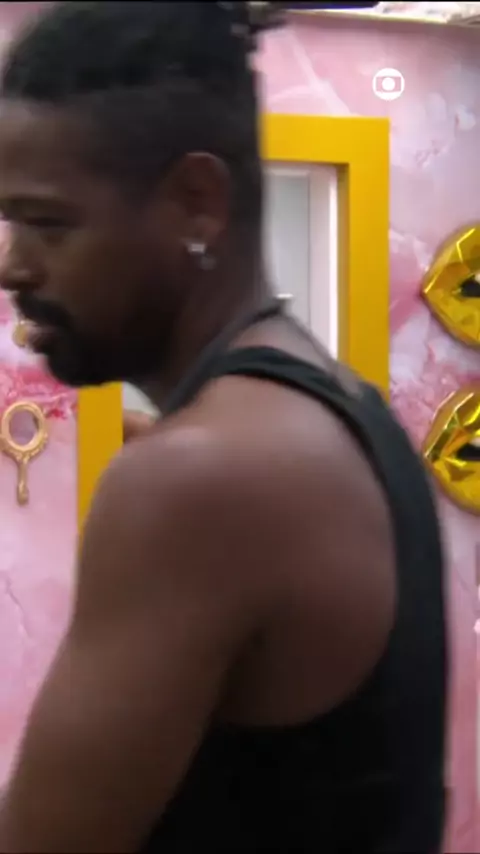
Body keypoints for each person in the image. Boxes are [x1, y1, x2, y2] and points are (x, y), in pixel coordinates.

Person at [0, 2, 447, 852]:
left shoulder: (197, 478)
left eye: (49, 223)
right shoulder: (345, 408)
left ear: (197, 202)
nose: (13, 265)